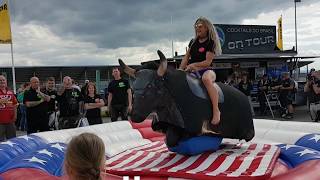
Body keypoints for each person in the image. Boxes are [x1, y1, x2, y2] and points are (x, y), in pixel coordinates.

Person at [179, 16, 222, 125]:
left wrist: (193, 65)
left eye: (200, 26)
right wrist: (180, 70)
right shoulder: (193, 42)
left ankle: (216, 110)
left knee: (206, 79)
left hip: (207, 70)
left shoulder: (210, 43)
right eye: (196, 26)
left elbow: (207, 62)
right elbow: (186, 57)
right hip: (193, 71)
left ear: (207, 28)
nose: (198, 28)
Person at [0, 75, 18, 141]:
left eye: (3, 80)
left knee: (12, 141)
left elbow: (15, 104)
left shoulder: (10, 92)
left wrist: (15, 115)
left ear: (6, 81)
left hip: (10, 121)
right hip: (0, 122)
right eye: (0, 80)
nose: (2, 81)